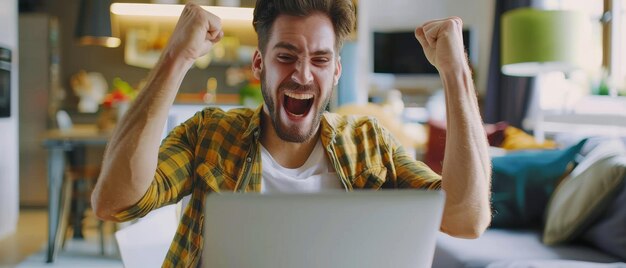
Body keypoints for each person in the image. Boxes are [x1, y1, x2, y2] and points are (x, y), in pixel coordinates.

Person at [92, 0, 492, 266]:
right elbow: (114, 203)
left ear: (335, 71)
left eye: (319, 59)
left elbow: (466, 219)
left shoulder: (370, 143)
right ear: (259, 64)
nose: (302, 74)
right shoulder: (210, 134)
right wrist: (175, 56)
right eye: (286, 57)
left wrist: (455, 72)